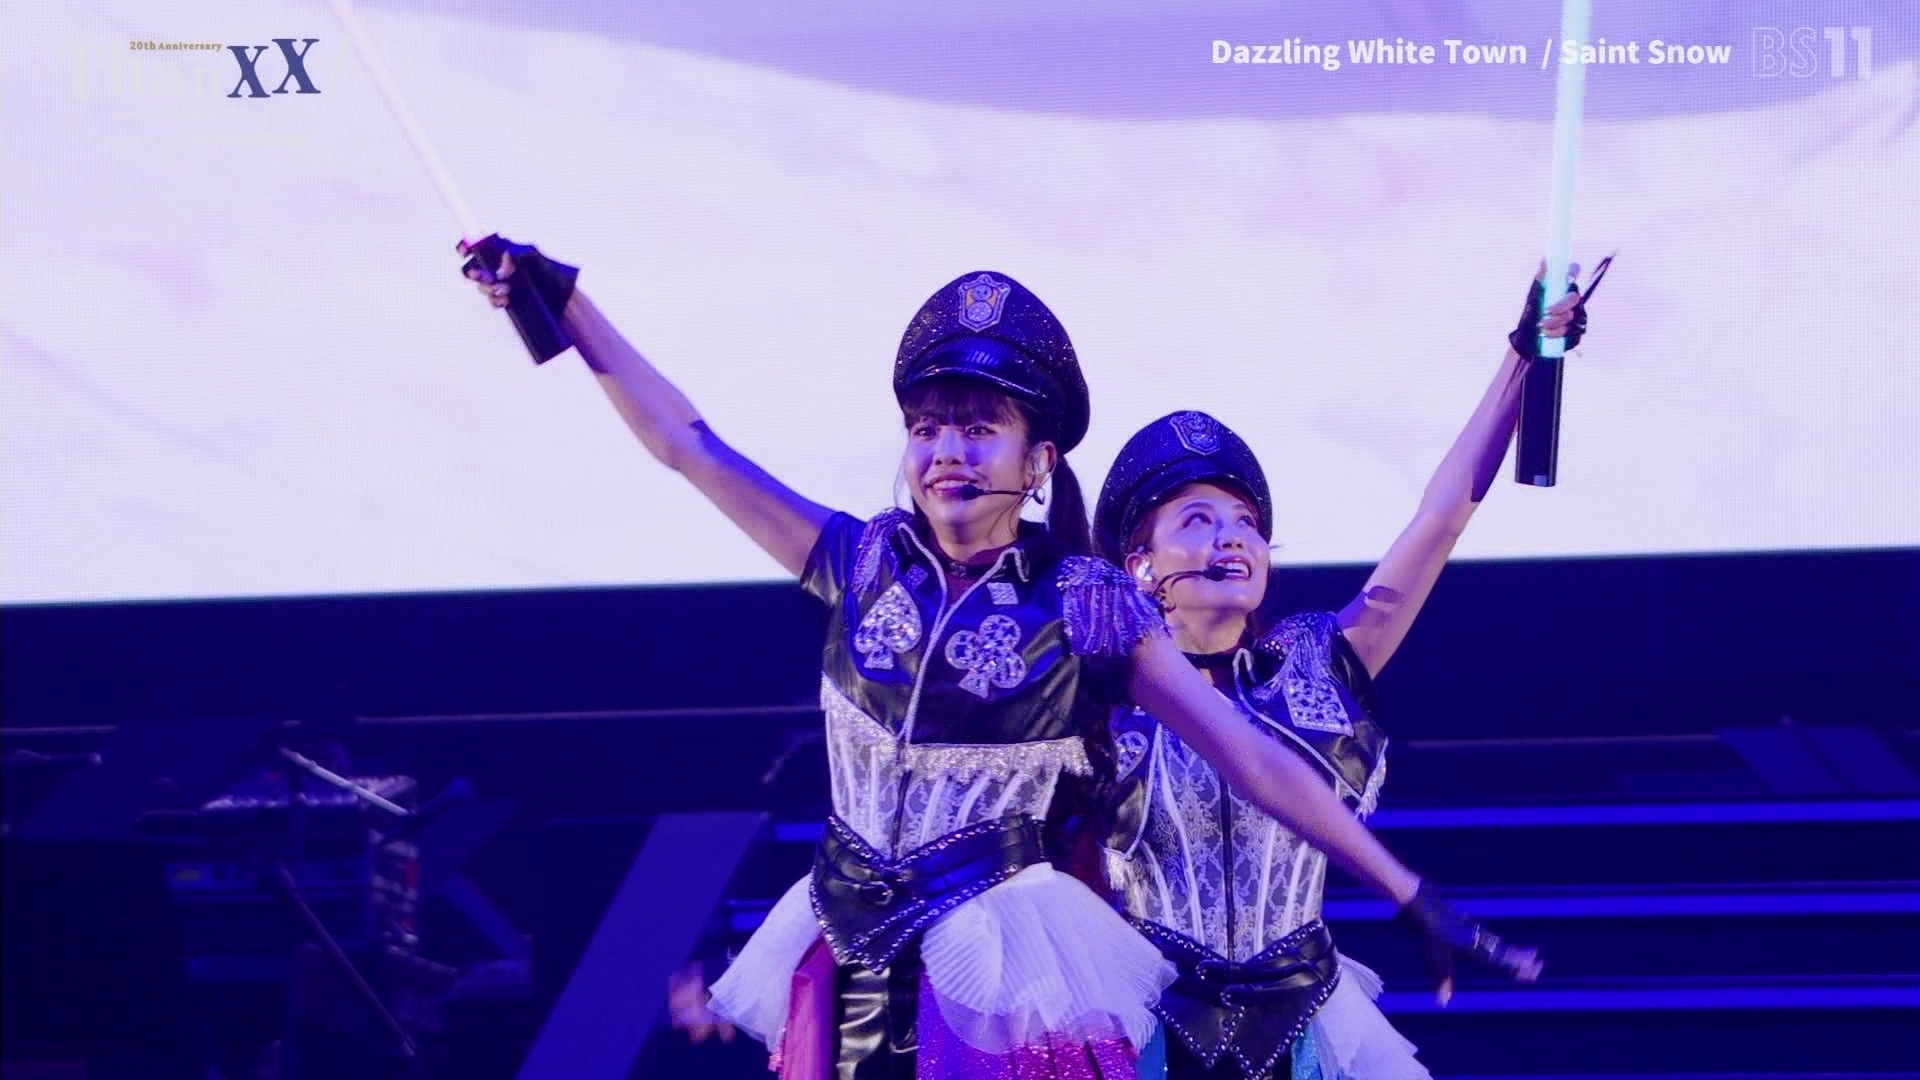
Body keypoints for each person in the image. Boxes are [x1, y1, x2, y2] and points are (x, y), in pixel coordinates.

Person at [460, 240, 1539, 1078]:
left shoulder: (1086, 606)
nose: (947, 452)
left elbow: (1251, 757)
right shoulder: (858, 560)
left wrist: (1407, 889)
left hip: (997, 955)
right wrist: (567, 303)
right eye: (928, 428)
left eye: (979, 429)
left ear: (1039, 461)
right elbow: (687, 444)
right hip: (845, 931)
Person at [1090, 267, 1594, 1079]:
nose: (1232, 538)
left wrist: (1522, 359)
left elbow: (1440, 520)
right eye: (1198, 520)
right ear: (1140, 565)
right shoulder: (1097, 696)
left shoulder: (1315, 666)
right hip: (1147, 1028)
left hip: (1301, 1028)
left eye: (1246, 522)